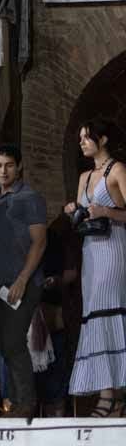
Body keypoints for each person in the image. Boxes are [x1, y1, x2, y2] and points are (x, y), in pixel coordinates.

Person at [63, 120, 126, 415]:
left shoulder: (119, 170)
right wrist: (74, 211)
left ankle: (114, 395)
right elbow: (82, 214)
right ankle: (108, 393)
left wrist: (106, 211)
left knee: (111, 311)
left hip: (114, 249)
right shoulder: (84, 176)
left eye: (87, 138)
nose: (83, 143)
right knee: (94, 316)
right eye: (80, 139)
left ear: (102, 139)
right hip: (91, 251)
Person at [0, 144, 48, 417]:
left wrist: (22, 279)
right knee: (6, 345)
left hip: (25, 282)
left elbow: (40, 243)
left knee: (13, 341)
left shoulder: (30, 198)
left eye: (8, 165)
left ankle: (27, 404)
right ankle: (16, 402)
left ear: (18, 166)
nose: (3, 171)